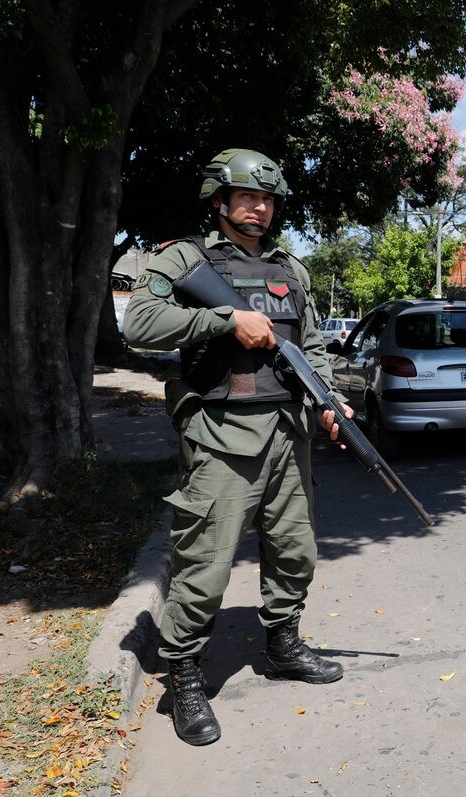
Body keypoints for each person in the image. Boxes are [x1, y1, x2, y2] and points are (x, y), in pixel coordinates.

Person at [124, 148, 353, 746]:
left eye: (268, 200)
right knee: (206, 564)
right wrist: (225, 320)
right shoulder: (185, 258)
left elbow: (312, 349)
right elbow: (139, 325)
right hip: (222, 436)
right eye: (248, 197)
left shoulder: (292, 270)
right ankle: (185, 681)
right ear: (220, 200)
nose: (259, 208)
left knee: (294, 551)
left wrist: (331, 401)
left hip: (288, 433)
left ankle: (283, 645)